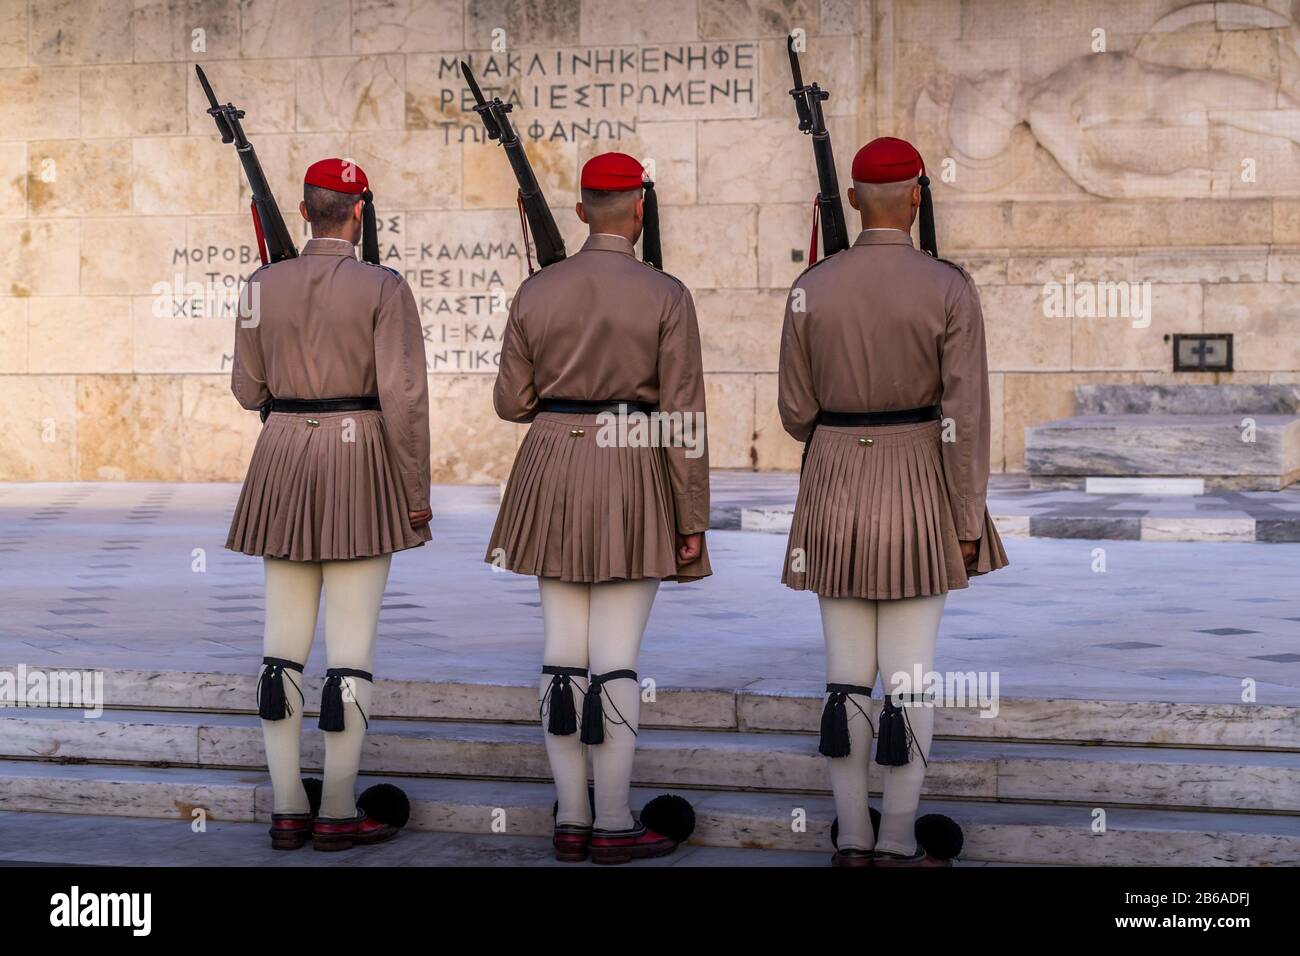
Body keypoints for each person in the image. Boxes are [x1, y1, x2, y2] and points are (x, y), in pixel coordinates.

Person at [778, 136, 1008, 867]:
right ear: (917, 196)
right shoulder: (947, 286)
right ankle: (902, 838)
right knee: (910, 676)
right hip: (919, 483)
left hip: (835, 479)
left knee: (846, 675)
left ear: (851, 200)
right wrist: (967, 519)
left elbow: (793, 411)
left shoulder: (812, 284)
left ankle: (850, 838)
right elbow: (965, 416)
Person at [486, 151, 710, 864]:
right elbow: (683, 417)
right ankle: (613, 821)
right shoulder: (666, 294)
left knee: (561, 654)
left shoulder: (536, 289)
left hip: (551, 460)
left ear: (581, 212)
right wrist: (691, 514)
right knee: (615, 660)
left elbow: (510, 404)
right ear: (639, 211)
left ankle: (571, 818)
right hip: (631, 462)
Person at [226, 158, 431, 852]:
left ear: (304, 209)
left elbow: (248, 391)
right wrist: (415, 496)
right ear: (359, 212)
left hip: (282, 453)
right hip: (357, 455)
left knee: (280, 650)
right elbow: (403, 400)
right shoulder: (384, 286)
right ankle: (338, 808)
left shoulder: (261, 285)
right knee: (350, 653)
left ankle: (288, 808)